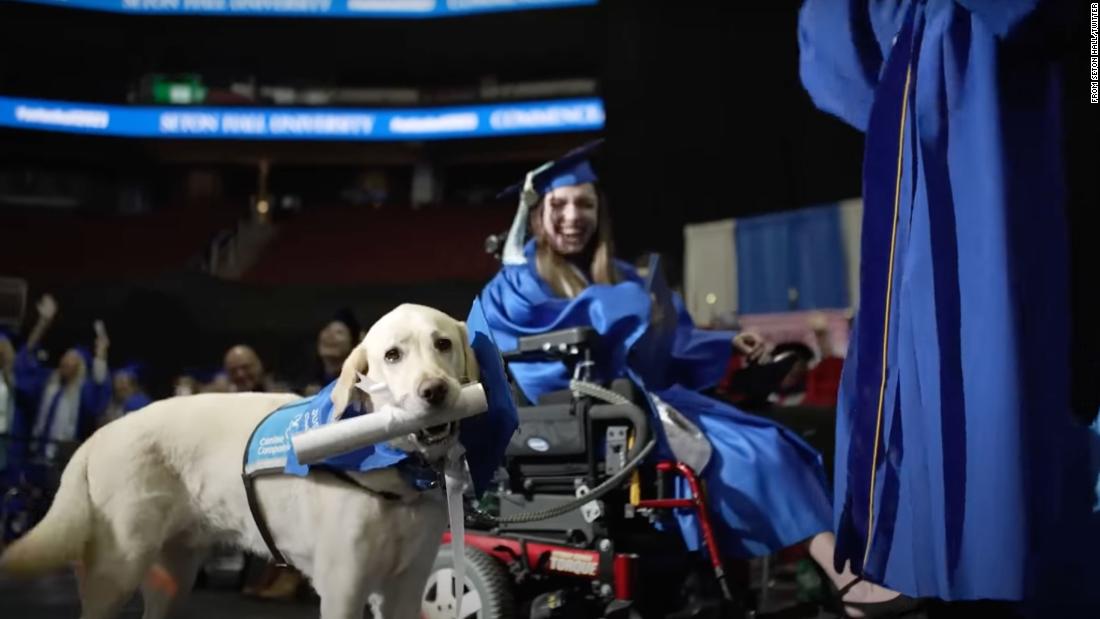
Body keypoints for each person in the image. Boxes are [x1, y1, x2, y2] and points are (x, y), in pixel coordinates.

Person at [477, 141, 910, 616]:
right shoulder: (517, 283)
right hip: (595, 421)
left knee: (786, 440)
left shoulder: (615, 273)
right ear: (537, 214)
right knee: (759, 453)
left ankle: (829, 575)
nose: (573, 215)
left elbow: (670, 340)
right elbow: (537, 347)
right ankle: (845, 581)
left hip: (646, 404)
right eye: (559, 204)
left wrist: (726, 343)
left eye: (585, 203)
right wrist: (625, 304)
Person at [799, 1, 1097, 611]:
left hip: (964, 100)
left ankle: (975, 559)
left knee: (973, 328)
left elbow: (837, 53)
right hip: (1054, 98)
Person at [301, 308, 360, 396]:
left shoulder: (360, 388)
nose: (330, 336)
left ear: (353, 345)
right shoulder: (304, 382)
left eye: (339, 332)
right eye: (327, 330)